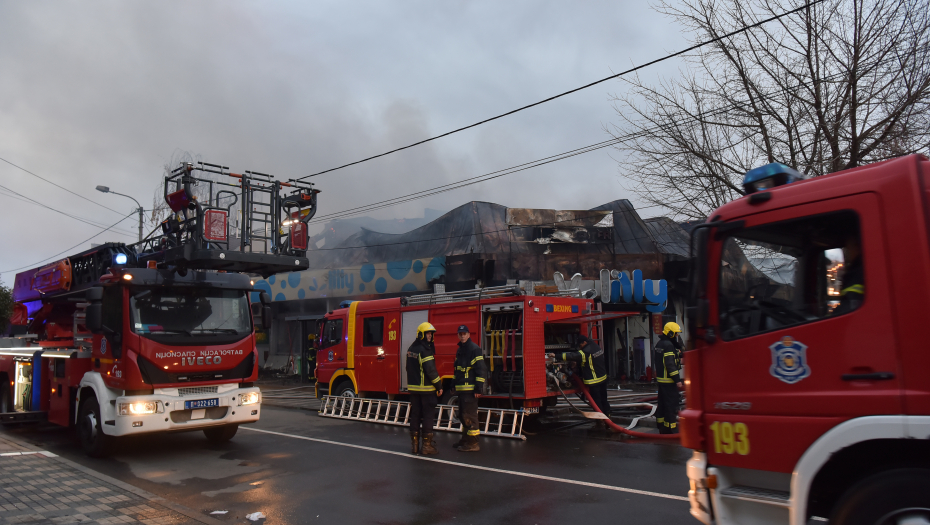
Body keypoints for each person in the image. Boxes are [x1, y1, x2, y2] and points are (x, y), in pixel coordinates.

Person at [406, 322, 443, 455]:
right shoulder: (425, 350)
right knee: (428, 416)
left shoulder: (411, 349)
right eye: (428, 333)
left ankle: (414, 446)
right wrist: (439, 386)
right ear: (421, 334)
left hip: (414, 390)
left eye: (431, 334)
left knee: (415, 415)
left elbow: (408, 369)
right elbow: (431, 371)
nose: (430, 336)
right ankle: (426, 446)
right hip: (427, 390)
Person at [555, 335, 609, 425]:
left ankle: (600, 421)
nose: (579, 347)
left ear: (584, 343)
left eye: (580, 345)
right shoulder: (595, 346)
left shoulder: (585, 352)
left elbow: (572, 356)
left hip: (594, 381)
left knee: (596, 402)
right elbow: (589, 360)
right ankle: (608, 417)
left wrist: (556, 355)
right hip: (603, 378)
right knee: (604, 399)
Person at [452, 325, 488, 452]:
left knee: (470, 416)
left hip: (470, 390)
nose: (462, 336)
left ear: (469, 334)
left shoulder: (474, 349)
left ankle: (473, 443)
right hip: (462, 390)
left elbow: (481, 369)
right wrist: (453, 383)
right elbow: (457, 369)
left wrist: (478, 388)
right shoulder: (460, 350)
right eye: (460, 333)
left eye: (464, 333)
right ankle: (466, 439)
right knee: (463, 415)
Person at [655, 322, 684, 434]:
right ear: (671, 333)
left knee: (662, 404)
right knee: (671, 405)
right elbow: (670, 365)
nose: (677, 336)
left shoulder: (660, 343)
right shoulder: (668, 345)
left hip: (662, 380)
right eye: (676, 334)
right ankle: (671, 428)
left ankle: (662, 426)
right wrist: (677, 380)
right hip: (669, 380)